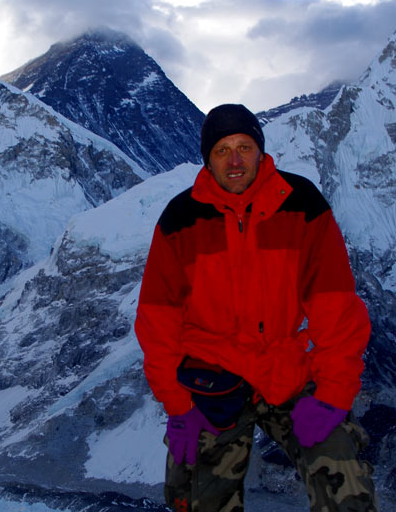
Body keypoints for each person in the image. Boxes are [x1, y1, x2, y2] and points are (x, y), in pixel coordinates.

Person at [134, 103, 378, 512]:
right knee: (194, 500)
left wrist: (334, 394)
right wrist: (178, 406)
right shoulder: (180, 219)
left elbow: (334, 305)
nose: (234, 161)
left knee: (347, 488)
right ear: (207, 159)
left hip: (288, 370)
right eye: (222, 150)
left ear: (261, 152)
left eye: (244, 147)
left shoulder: (302, 205)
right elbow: (157, 321)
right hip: (211, 377)